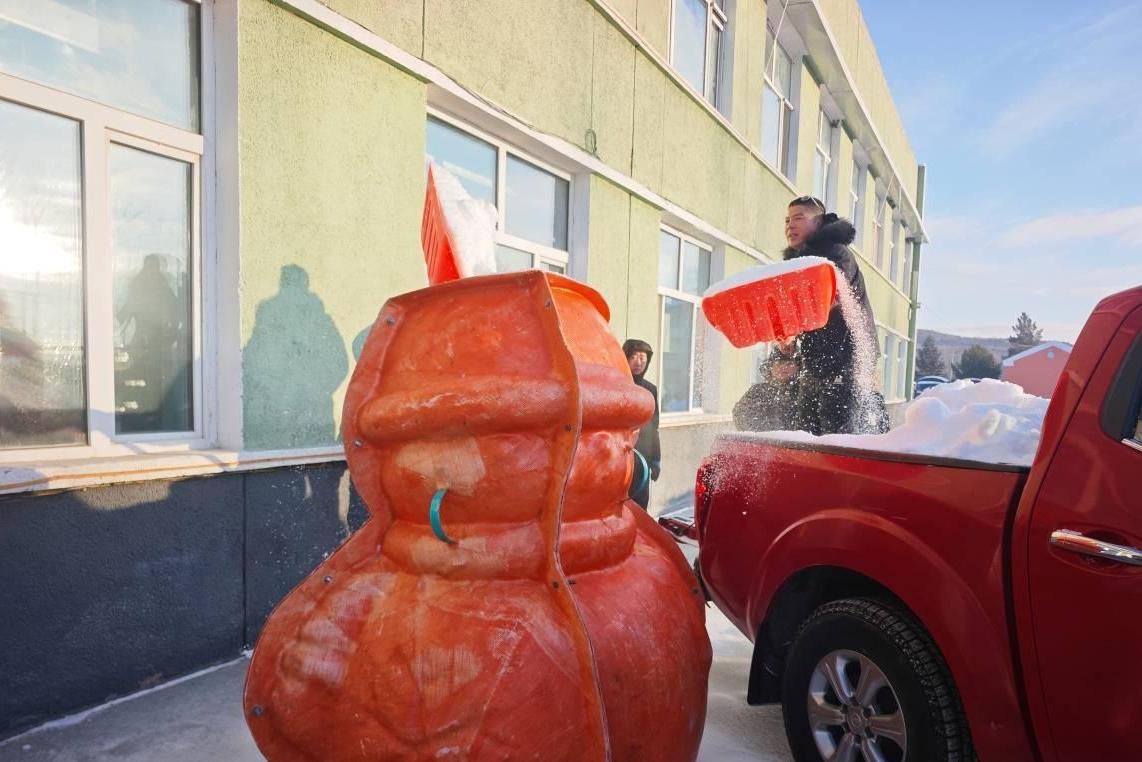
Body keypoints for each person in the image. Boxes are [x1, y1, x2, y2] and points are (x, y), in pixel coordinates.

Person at [781, 196, 886, 435]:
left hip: (847, 358)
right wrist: (785, 337)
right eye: (787, 220)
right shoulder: (795, 263)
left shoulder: (836, 253)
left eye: (799, 218)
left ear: (819, 222)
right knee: (804, 432)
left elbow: (827, 298)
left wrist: (792, 324)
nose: (790, 225)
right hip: (816, 361)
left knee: (837, 432)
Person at [622, 339, 661, 509]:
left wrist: (656, 459)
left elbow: (654, 426)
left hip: (643, 457)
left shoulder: (650, 389)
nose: (638, 363)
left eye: (642, 358)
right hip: (621, 456)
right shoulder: (618, 386)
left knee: (640, 505)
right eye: (633, 357)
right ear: (624, 358)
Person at [732, 342, 801, 432]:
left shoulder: (803, 392)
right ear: (770, 367)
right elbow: (741, 414)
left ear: (798, 368)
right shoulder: (757, 391)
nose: (784, 367)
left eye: (789, 363)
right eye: (779, 363)